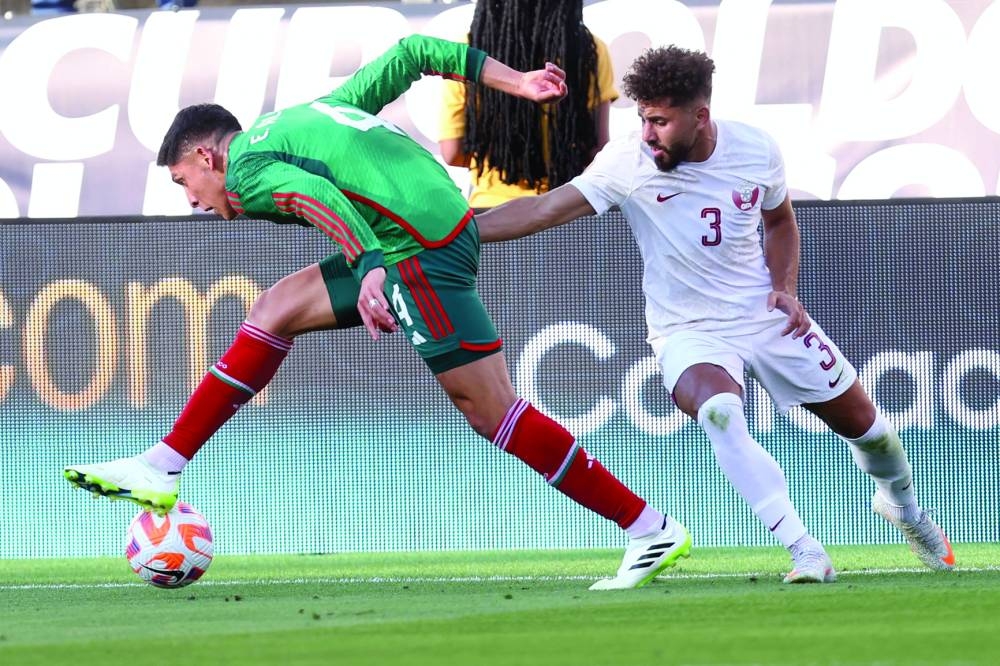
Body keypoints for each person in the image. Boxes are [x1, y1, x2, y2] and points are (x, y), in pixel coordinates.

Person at [63, 35, 690, 591]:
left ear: (206, 157)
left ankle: (647, 527)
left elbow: (314, 194)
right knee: (275, 308)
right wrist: (518, 82)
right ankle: (163, 463)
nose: (194, 202)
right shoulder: (307, 116)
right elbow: (414, 52)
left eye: (183, 183)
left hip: (417, 250)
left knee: (491, 411)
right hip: (423, 231)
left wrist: (368, 266)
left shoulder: (246, 170)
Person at [474, 45, 955, 583]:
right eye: (642, 118)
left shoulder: (755, 149)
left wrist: (786, 288)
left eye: (660, 121)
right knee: (720, 413)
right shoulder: (627, 162)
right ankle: (804, 548)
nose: (647, 133)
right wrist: (457, 233)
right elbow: (544, 209)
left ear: (699, 116)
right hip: (688, 330)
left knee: (873, 434)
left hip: (763, 315)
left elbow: (780, 222)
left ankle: (905, 510)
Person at [438, 0, 617, 207]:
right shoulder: (590, 50)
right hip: (564, 210)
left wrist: (497, 160)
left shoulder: (468, 52)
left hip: (493, 211)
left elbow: (452, 152)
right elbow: (598, 152)